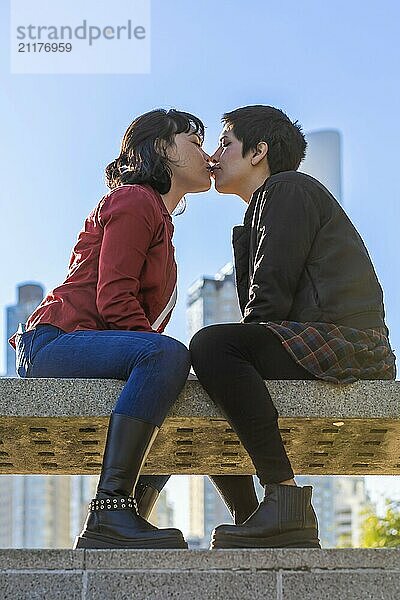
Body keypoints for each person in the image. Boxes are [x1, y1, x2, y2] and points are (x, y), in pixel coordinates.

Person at [188, 105, 396, 549]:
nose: (214, 155)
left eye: (225, 144)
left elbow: (270, 301)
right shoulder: (264, 206)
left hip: (352, 345)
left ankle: (283, 500)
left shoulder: (287, 189)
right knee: (206, 372)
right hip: (319, 340)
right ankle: (255, 516)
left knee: (211, 349)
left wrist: (230, 354)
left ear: (259, 151)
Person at [9, 108, 215, 550]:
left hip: (76, 344)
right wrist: (163, 358)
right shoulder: (136, 199)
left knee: (175, 385)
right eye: (195, 142)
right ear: (162, 148)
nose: (207, 153)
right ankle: (111, 508)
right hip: (53, 343)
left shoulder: (159, 218)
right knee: (168, 358)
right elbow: (114, 298)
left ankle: (125, 522)